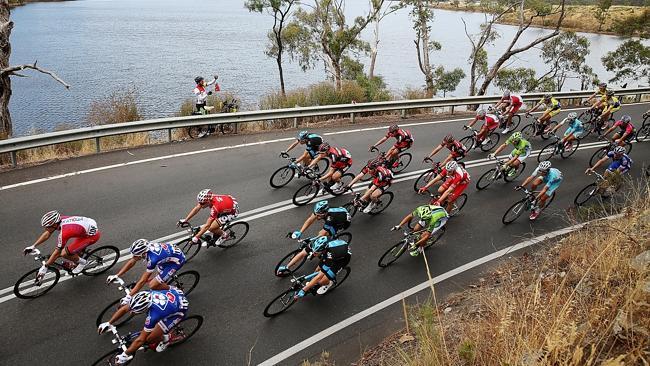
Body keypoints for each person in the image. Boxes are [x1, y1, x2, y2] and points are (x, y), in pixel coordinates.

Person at [98, 288, 189, 363]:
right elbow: (125, 309)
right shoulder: (144, 295)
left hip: (179, 310)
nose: (131, 312)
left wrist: (125, 355)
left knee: (149, 339)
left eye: (136, 312)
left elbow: (141, 339)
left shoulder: (154, 315)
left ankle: (167, 339)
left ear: (146, 309)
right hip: (174, 294)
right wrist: (109, 323)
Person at [278, 201, 351, 275]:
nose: (317, 217)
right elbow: (310, 219)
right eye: (316, 214)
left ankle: (333, 241)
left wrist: (314, 242)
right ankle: (287, 266)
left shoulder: (330, 218)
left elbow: (322, 234)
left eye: (319, 215)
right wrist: (300, 232)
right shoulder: (319, 211)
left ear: (325, 213)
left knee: (323, 233)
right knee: (310, 246)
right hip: (337, 214)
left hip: (342, 222)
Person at [106, 239, 186, 306]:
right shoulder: (146, 248)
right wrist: (117, 275)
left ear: (143, 253)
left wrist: (129, 297)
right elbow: (132, 261)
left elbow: (142, 281)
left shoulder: (153, 259)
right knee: (156, 278)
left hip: (176, 262)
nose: (134, 257)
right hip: (167, 257)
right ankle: (162, 282)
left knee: (153, 285)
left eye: (136, 255)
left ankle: (176, 290)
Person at [23, 211, 101, 278]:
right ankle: (76, 260)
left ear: (54, 225)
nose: (45, 229)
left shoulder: (65, 232)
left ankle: (83, 263)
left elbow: (57, 252)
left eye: (47, 227)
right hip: (86, 226)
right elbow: (47, 233)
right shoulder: (59, 220)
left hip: (91, 236)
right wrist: (33, 246)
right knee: (70, 251)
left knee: (64, 253)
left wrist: (45, 267)